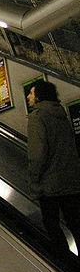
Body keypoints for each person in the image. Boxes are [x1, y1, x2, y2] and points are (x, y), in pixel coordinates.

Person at [27, 81, 80, 261]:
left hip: (49, 183)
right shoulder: (62, 115)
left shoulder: (37, 117)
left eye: (31, 93)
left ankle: (64, 263)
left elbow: (37, 153)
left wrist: (34, 179)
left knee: (51, 223)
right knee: (75, 223)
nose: (28, 96)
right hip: (71, 180)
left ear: (39, 96)